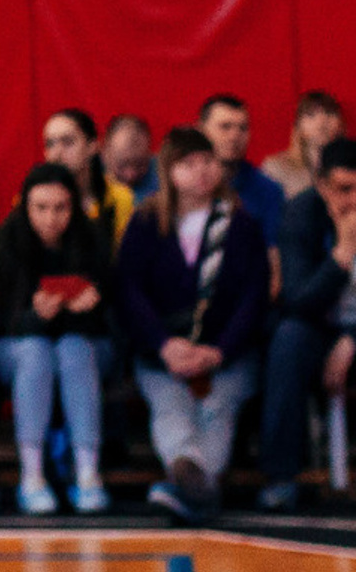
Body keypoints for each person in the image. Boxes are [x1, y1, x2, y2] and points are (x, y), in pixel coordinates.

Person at [118, 124, 270, 522]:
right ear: (168, 171)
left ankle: (190, 484)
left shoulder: (240, 224)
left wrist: (219, 351)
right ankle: (193, 478)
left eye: (208, 162)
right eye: (188, 163)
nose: (201, 171)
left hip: (227, 352)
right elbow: (130, 291)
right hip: (163, 354)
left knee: (217, 406)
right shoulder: (147, 221)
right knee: (170, 406)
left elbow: (254, 297)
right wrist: (164, 345)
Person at [0, 161, 116, 515]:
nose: (50, 218)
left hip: (86, 345)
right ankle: (32, 477)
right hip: (21, 344)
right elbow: (6, 321)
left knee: (73, 349)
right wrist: (35, 317)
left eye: (60, 208)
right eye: (40, 208)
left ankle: (88, 474)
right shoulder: (6, 239)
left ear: (74, 207)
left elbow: (113, 320)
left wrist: (90, 306)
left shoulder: (93, 238)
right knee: (36, 352)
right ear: (24, 206)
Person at [259, 135, 356, 513]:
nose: (353, 201)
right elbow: (297, 299)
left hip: (351, 334)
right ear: (321, 185)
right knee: (288, 339)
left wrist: (352, 339)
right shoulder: (302, 212)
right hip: (318, 326)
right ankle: (281, 476)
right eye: (344, 190)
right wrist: (341, 256)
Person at [198, 95, 284, 247]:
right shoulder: (180, 185)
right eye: (225, 127)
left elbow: (272, 254)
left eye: (243, 128)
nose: (234, 136)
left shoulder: (268, 191)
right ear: (201, 130)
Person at [41, 107, 133, 245]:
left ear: (92, 146)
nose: (56, 154)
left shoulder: (119, 199)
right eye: (50, 144)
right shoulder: (33, 200)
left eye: (67, 142)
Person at [264, 92, 345, 206]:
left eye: (329, 113)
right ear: (298, 126)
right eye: (311, 115)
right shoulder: (276, 168)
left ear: (340, 123)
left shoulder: (351, 168)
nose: (321, 122)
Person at [103, 113, 157, 202]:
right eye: (122, 165)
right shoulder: (88, 177)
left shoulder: (165, 174)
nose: (131, 175)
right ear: (105, 154)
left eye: (140, 165)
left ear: (149, 154)